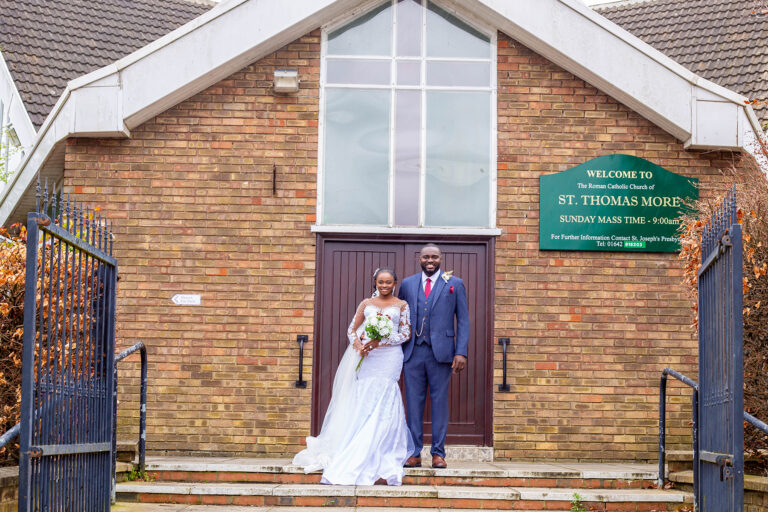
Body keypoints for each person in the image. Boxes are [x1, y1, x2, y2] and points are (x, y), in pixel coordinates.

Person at [292, 268, 413, 485]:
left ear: (395, 283)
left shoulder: (402, 305)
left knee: (386, 394)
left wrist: (380, 342)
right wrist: (358, 344)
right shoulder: (366, 304)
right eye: (380, 282)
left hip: (389, 358)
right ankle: (358, 443)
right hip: (367, 357)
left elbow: (405, 334)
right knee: (365, 395)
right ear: (375, 282)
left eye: (388, 282)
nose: (384, 286)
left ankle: (383, 446)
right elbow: (352, 329)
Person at [397, 244, 469, 469]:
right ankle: (414, 452)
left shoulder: (455, 284)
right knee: (414, 404)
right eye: (426, 257)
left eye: (434, 257)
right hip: (413, 351)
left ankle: (438, 453)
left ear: (441, 259)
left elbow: (464, 320)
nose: (430, 260)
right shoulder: (408, 283)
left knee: (439, 404)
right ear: (419, 259)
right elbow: (400, 314)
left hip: (443, 353)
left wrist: (461, 351)